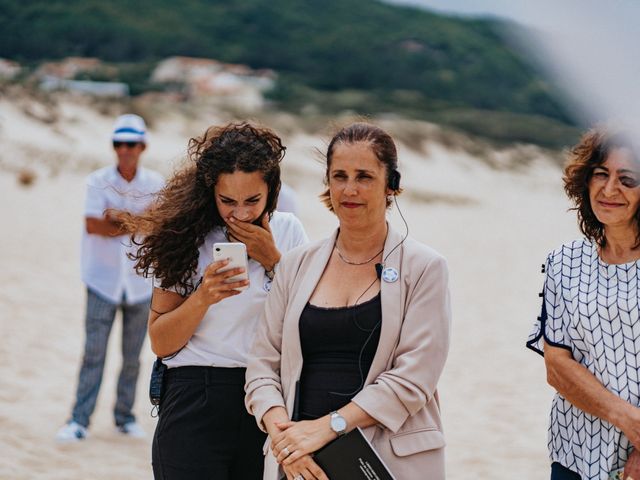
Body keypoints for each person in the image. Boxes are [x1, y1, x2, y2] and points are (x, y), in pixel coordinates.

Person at [245, 122, 451, 480]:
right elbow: (263, 364)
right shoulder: (295, 264)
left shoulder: (425, 268)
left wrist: (329, 427)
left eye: (364, 177)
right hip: (300, 464)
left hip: (382, 462)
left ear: (391, 184)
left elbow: (414, 378)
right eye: (339, 176)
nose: (350, 189)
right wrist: (285, 439)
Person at [122, 122, 308, 479]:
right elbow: (161, 342)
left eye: (253, 200)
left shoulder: (289, 232)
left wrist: (273, 260)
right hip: (194, 396)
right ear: (210, 192)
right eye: (227, 201)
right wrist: (203, 297)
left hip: (263, 399)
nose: (240, 213)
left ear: (273, 190)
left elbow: (309, 321)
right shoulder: (182, 237)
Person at [527, 128, 640, 479]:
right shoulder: (563, 261)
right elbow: (557, 366)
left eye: (627, 179)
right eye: (601, 174)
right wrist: (626, 417)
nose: (609, 190)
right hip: (572, 454)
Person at [56, 114, 165, 442]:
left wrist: (118, 217)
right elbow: (94, 226)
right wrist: (137, 221)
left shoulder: (155, 184)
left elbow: (157, 224)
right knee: (94, 354)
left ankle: (124, 417)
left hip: (139, 283)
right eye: (119, 143)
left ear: (142, 146)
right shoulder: (96, 180)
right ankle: (79, 420)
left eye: (130, 143)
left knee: (132, 357)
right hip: (101, 280)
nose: (124, 150)